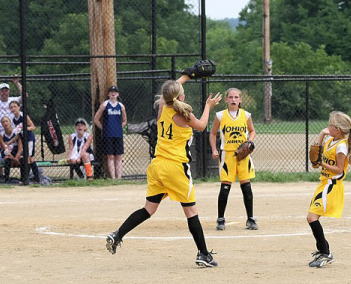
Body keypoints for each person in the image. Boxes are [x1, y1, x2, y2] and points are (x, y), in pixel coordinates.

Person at [105, 75, 223, 267]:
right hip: (175, 168)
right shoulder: (184, 115)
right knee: (191, 211)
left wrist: (185, 75)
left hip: (157, 166)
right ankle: (203, 254)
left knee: (148, 209)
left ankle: (118, 234)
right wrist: (209, 105)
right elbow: (201, 126)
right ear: (181, 97)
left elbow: (168, 93)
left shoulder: (163, 109)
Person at [307, 111, 351, 268]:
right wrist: (322, 135)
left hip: (332, 186)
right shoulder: (330, 140)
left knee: (312, 217)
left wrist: (321, 163)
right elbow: (317, 152)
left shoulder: (341, 147)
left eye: (330, 125)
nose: (327, 127)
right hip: (323, 184)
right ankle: (324, 251)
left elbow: (339, 169)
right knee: (312, 217)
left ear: (338, 129)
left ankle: (325, 252)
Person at [209, 88, 257, 231]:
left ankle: (250, 219)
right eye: (230, 97)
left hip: (243, 156)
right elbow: (212, 134)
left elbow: (253, 131)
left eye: (236, 97)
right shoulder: (220, 115)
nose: (233, 100)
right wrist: (214, 149)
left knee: (246, 187)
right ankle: (220, 219)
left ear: (240, 100)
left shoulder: (246, 115)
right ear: (226, 100)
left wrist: (250, 141)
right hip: (227, 154)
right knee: (225, 187)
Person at [94, 85, 127, 179]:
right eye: (111, 92)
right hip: (108, 134)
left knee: (119, 156)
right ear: (108, 94)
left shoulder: (121, 106)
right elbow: (96, 119)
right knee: (110, 156)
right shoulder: (105, 105)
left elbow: (124, 120)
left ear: (118, 94)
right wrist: (104, 128)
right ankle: (113, 178)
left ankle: (119, 178)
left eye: (115, 92)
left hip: (118, 134)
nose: (113, 93)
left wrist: (119, 128)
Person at [9, 101, 41, 183]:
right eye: (11, 107)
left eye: (15, 106)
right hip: (23, 139)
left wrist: (24, 128)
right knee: (31, 158)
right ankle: (36, 178)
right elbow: (18, 133)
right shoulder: (13, 119)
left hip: (29, 138)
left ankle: (25, 178)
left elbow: (33, 127)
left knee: (28, 158)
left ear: (19, 107)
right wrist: (10, 141)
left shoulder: (23, 116)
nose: (13, 109)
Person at [0, 116, 22, 183]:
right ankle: (7, 179)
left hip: (16, 152)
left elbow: (20, 148)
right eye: (3, 122)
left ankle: (23, 178)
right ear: (2, 124)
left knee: (22, 160)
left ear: (10, 123)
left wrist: (17, 158)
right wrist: (14, 159)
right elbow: (5, 149)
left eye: (6, 121)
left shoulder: (16, 133)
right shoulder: (1, 135)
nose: (5, 123)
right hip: (8, 153)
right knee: (7, 160)